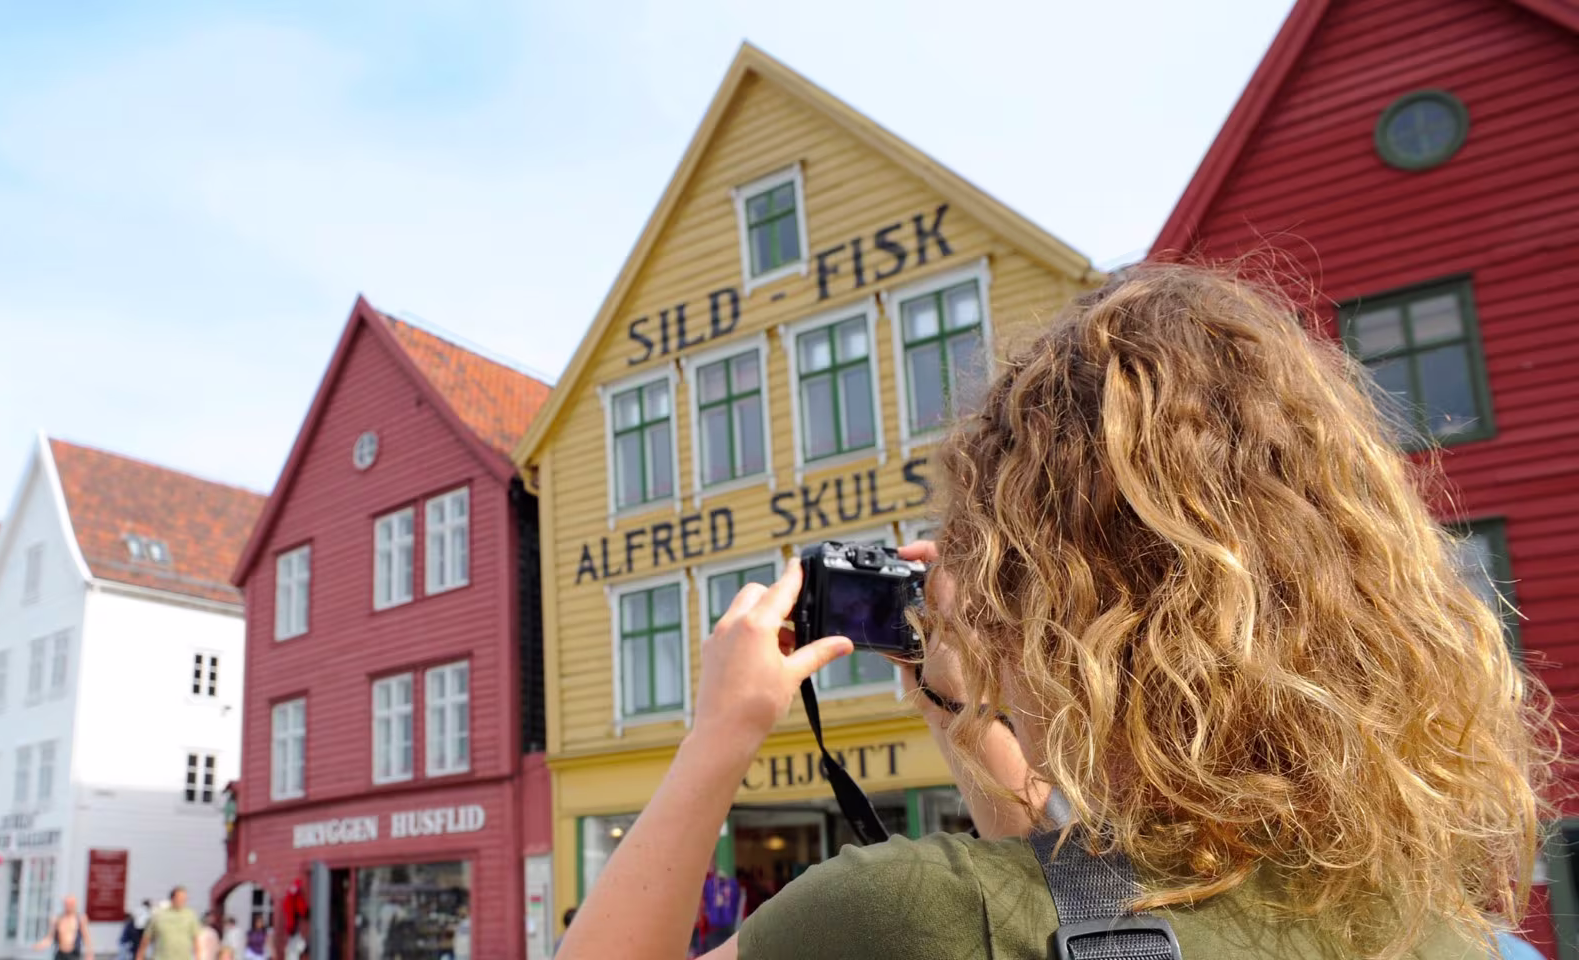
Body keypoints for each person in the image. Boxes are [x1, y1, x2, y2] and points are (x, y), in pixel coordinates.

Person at [553, 264, 1555, 960]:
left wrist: (721, 733)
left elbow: (1038, 907)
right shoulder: (1458, 933)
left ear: (1048, 612)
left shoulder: (899, 918)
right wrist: (968, 717)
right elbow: (1087, 885)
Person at [136, 888, 200, 960]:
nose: (182, 900)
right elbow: (146, 939)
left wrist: (198, 957)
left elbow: (196, 940)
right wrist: (139, 957)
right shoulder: (159, 915)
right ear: (172, 898)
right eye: (180, 898)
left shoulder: (190, 915)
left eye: (184, 898)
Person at [34, 896, 92, 960]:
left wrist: (89, 954)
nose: (69, 906)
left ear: (75, 905)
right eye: (67, 904)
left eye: (71, 904)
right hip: (60, 953)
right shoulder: (57, 919)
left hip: (73, 954)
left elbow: (86, 938)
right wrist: (42, 944)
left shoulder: (80, 919)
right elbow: (50, 938)